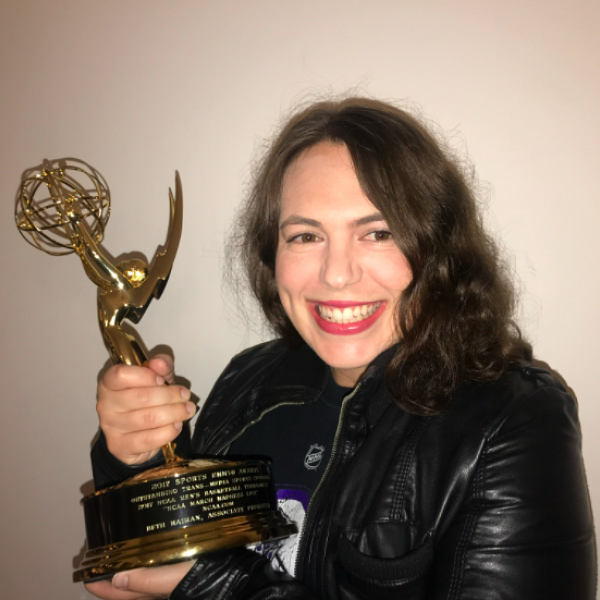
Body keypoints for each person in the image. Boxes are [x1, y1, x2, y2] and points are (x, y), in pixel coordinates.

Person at [86, 98, 597, 600]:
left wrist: (220, 590)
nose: (336, 273)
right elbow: (165, 544)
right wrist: (134, 457)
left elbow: (202, 579)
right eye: (305, 236)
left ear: (437, 249)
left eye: (377, 233)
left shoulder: (512, 422)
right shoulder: (250, 379)